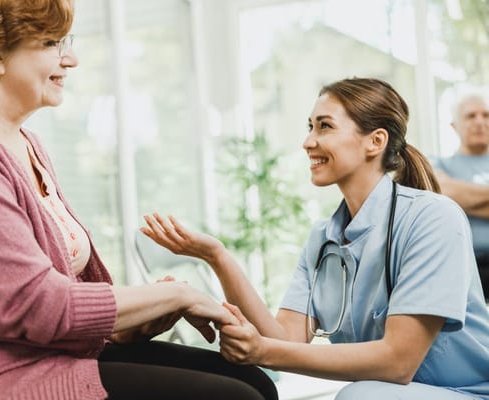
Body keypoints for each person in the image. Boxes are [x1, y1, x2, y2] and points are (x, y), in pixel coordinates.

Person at [0, 1, 278, 399]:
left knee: (254, 381)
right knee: (234, 397)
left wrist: (128, 323)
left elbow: (60, 290)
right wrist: (179, 294)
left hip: (37, 356)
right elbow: (32, 307)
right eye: (51, 43)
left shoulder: (25, 143)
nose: (71, 58)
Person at [142, 77, 489, 399]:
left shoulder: (431, 217)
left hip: (467, 391)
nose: (308, 141)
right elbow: (284, 340)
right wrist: (217, 256)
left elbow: (398, 362)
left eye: (324, 126)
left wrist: (263, 350)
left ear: (375, 141)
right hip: (396, 394)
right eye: (310, 127)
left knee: (360, 396)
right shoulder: (324, 238)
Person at [432, 89, 489, 302]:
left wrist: (463, 199)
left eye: (486, 115)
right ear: (454, 126)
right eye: (471, 116)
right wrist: (451, 196)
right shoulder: (438, 164)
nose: (480, 121)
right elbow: (445, 192)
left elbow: (453, 196)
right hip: (460, 268)